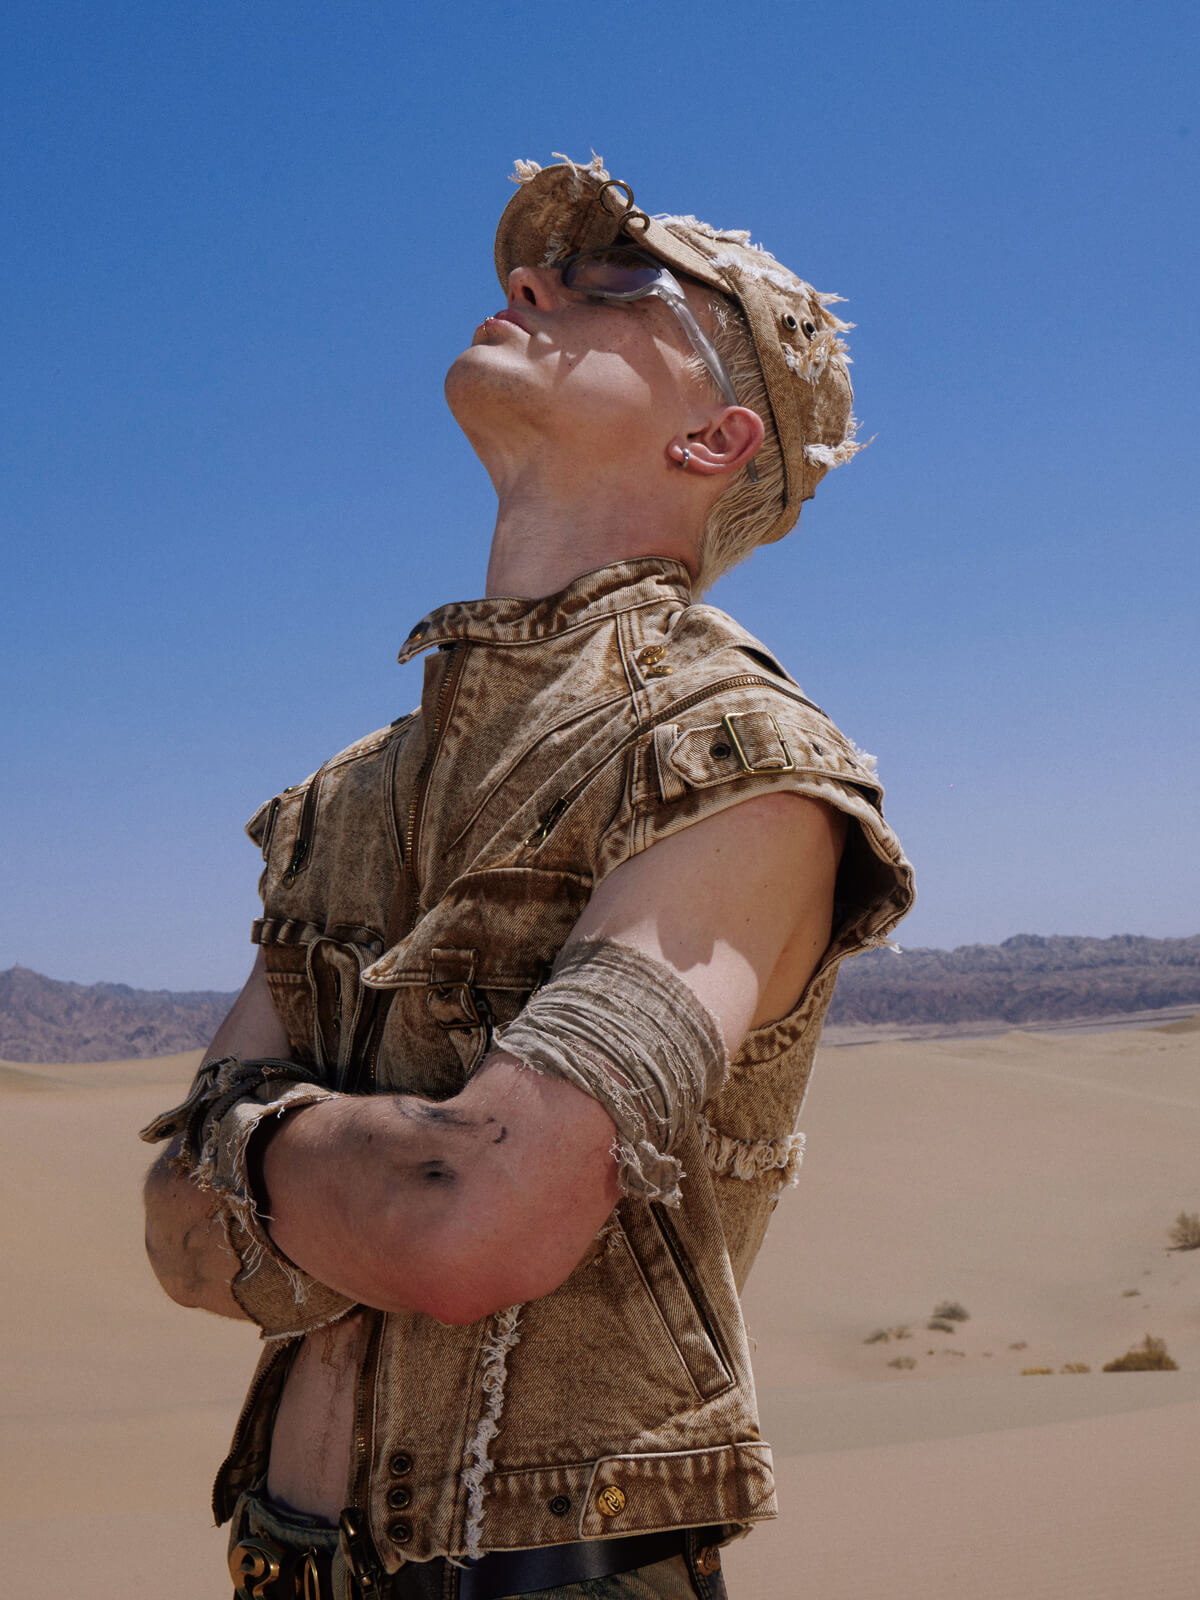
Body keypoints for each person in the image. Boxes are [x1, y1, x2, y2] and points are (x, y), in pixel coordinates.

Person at [142, 152, 914, 1600]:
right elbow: (173, 1236)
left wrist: (249, 1154)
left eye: (619, 281)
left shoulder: (733, 759)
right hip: (282, 1565)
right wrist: (350, 1181)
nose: (531, 283)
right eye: (547, 269)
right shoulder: (347, 796)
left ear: (715, 437)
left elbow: (470, 1220)